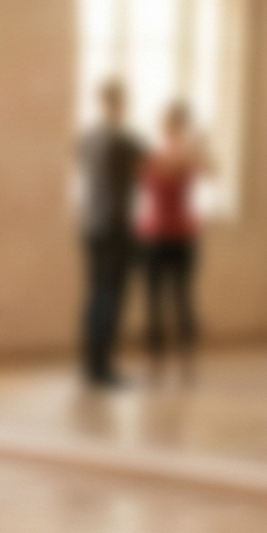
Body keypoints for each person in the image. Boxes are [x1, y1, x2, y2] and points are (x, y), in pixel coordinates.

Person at [74, 79, 146, 386]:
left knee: (97, 295)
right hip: (114, 227)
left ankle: (93, 363)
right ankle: (102, 366)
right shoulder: (122, 142)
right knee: (110, 297)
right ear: (120, 103)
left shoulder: (87, 138)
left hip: (92, 225)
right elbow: (148, 168)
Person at [138, 100, 213, 374]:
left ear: (181, 125)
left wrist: (198, 147)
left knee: (183, 297)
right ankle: (155, 357)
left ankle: (186, 356)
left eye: (175, 123)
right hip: (155, 233)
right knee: (154, 299)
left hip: (183, 233)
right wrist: (191, 148)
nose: (169, 128)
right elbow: (165, 173)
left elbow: (213, 170)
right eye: (168, 123)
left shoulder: (187, 155)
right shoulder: (155, 156)